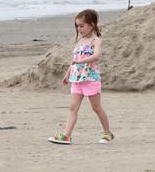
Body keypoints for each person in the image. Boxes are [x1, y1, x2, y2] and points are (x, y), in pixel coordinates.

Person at [48, 9, 113, 145]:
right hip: (77, 79)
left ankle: (107, 133)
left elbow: (96, 56)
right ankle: (66, 135)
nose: (79, 28)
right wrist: (67, 74)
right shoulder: (79, 41)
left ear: (92, 24)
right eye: (77, 26)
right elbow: (74, 60)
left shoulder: (96, 40)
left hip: (90, 79)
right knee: (73, 108)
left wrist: (80, 61)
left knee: (96, 108)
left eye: (82, 25)